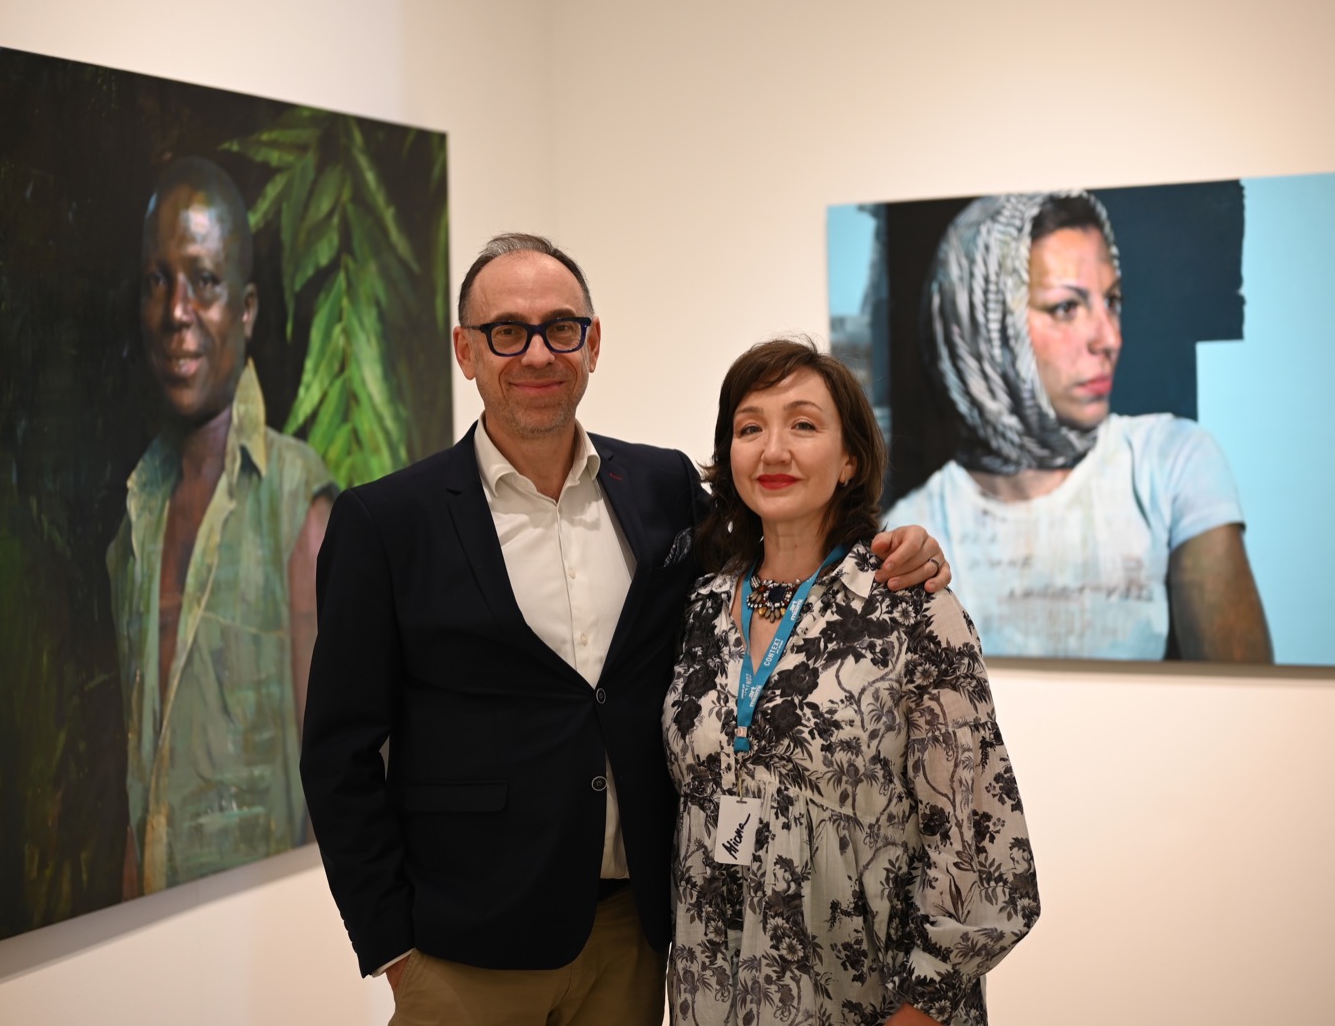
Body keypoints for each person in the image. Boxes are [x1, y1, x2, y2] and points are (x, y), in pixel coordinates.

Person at [299, 233, 949, 1026]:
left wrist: (891, 545)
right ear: (466, 352)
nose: (537, 353)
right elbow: (339, 755)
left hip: (636, 940)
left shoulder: (660, 487)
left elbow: (779, 554)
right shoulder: (384, 522)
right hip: (463, 952)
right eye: (507, 331)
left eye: (560, 327)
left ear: (593, 343)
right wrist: (392, 946)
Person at [665, 338, 1036, 1026]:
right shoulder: (703, 605)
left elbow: (983, 845)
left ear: (850, 459)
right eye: (750, 428)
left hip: (870, 1002)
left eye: (803, 424)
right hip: (714, 993)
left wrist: (919, 1010)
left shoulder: (912, 606)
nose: (774, 450)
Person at [885, 191, 1273, 662]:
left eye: (1112, 301)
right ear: (985, 323)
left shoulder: (1170, 460)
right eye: (1066, 308)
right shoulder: (916, 523)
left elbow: (1241, 690)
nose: (1109, 338)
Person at [107, 156, 337, 896]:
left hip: (268, 941)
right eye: (157, 281)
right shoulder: (136, 515)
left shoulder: (298, 502)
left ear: (246, 311)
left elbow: (337, 781)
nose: (176, 312)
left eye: (203, 282)